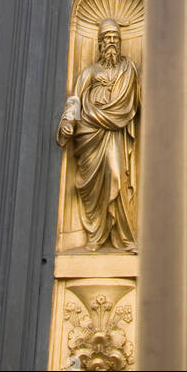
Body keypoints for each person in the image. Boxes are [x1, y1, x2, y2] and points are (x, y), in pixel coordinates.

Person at [56, 20, 141, 251]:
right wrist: (68, 121)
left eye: (115, 38)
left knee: (117, 177)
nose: (112, 42)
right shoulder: (89, 72)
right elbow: (75, 98)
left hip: (115, 133)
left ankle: (125, 237)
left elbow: (138, 98)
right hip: (91, 133)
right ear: (100, 44)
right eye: (108, 39)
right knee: (94, 187)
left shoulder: (129, 68)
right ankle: (96, 233)